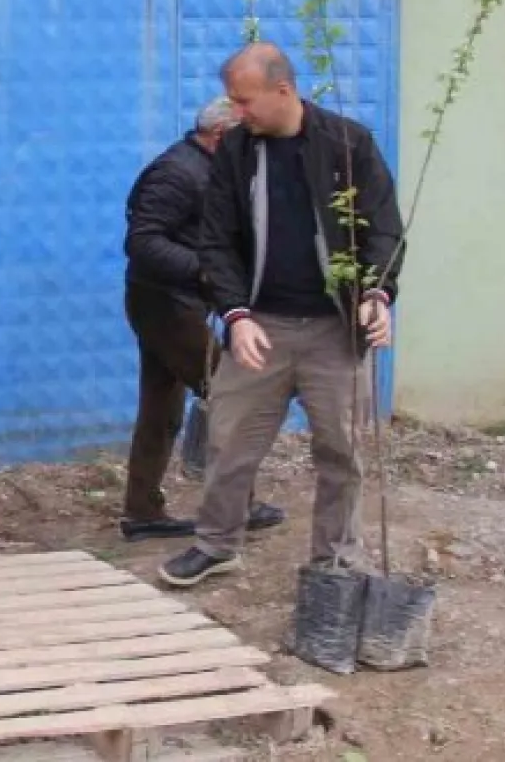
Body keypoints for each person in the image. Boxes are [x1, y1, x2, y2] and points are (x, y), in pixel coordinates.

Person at [158, 42, 405, 587]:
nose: (235, 112)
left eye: (244, 101)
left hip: (335, 331)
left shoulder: (348, 144)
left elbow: (384, 228)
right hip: (260, 325)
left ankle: (335, 560)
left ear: (283, 91)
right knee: (228, 442)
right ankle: (217, 543)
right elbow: (215, 240)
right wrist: (237, 314)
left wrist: (377, 295)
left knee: (341, 450)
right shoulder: (237, 152)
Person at [121, 97, 285, 542]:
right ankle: (237, 506)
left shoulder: (206, 168)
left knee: (160, 407)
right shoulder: (175, 173)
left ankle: (141, 512)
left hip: (170, 302)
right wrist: (205, 269)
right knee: (230, 393)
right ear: (220, 135)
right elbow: (142, 241)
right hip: (168, 304)